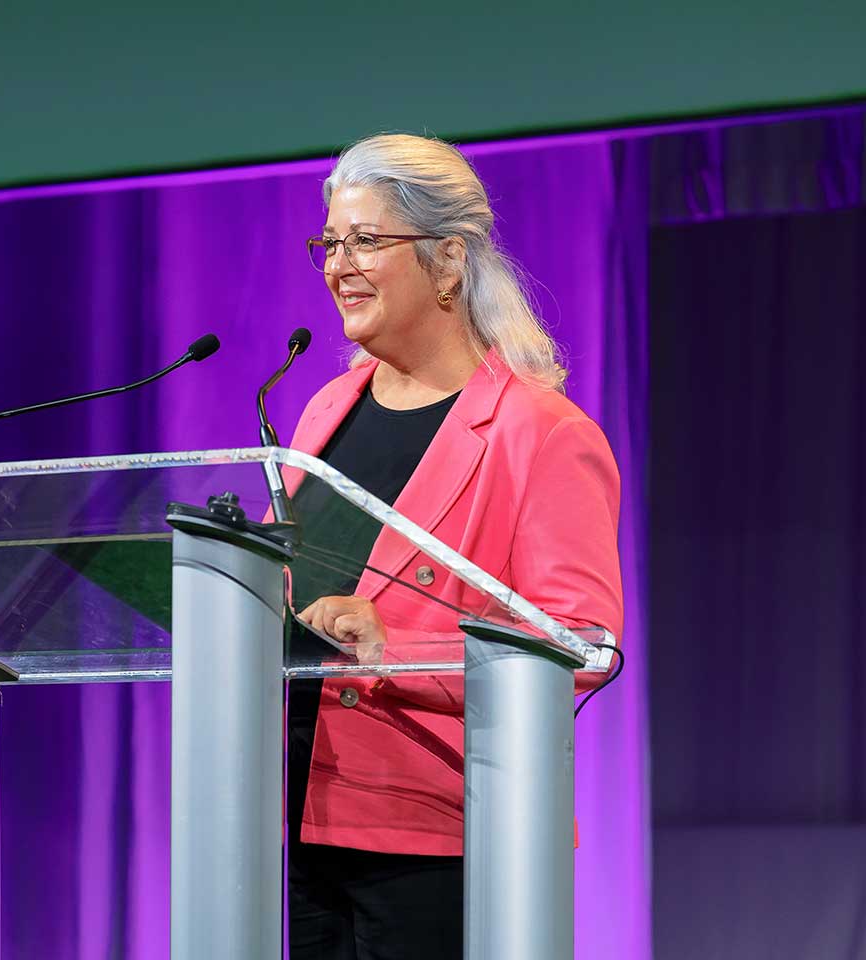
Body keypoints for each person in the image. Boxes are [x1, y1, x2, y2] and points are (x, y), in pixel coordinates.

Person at [283, 133, 624, 959]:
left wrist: (394, 648)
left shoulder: (539, 432)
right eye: (330, 242)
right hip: (297, 816)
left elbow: (584, 647)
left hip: (443, 840)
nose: (337, 265)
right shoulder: (328, 405)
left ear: (446, 261)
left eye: (365, 241)